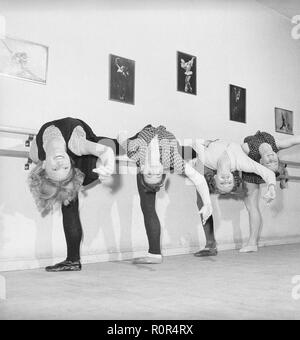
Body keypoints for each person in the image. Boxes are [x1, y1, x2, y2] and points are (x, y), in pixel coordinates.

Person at [29, 117, 116, 272]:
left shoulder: (36, 154)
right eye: (65, 168)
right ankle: (73, 260)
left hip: (74, 147)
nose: (60, 165)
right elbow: (106, 151)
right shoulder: (75, 144)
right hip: (83, 146)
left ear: (44, 164)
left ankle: (72, 260)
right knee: (68, 200)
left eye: (54, 169)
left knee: (66, 196)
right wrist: (109, 164)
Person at [118, 125, 213, 264]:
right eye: (157, 174)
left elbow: (121, 136)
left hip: (147, 134)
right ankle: (155, 254)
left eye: (150, 173)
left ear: (142, 168)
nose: (155, 170)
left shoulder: (135, 152)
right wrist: (207, 203)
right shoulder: (170, 159)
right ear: (163, 170)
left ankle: (154, 254)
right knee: (148, 207)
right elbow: (198, 178)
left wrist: (121, 139)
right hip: (170, 143)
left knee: (147, 206)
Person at [186, 138, 277, 257]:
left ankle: (210, 244)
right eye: (229, 183)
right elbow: (266, 172)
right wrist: (271, 187)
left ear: (214, 178)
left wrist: (206, 142)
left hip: (209, 159)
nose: (225, 180)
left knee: (201, 196)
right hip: (237, 146)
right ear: (233, 178)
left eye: (222, 183)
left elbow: (194, 143)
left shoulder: (206, 159)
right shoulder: (242, 163)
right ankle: (211, 245)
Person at [240, 131, 299, 252]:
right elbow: (295, 140)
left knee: (251, 206)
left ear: (262, 161)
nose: (272, 158)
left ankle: (252, 243)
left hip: (250, 170)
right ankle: (252, 244)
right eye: (274, 161)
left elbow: (232, 155)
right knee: (251, 206)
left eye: (269, 162)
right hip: (252, 167)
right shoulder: (276, 144)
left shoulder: (247, 149)